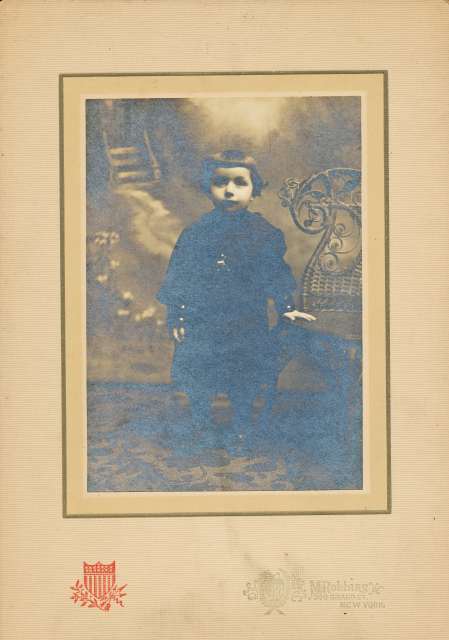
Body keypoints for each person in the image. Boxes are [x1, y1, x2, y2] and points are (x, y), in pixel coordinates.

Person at [156, 150, 314, 442]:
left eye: (240, 183)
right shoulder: (195, 234)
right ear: (208, 188)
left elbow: (275, 275)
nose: (229, 191)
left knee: (244, 375)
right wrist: (177, 314)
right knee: (200, 373)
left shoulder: (265, 234)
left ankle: (241, 425)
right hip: (203, 321)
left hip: (246, 321)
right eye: (220, 182)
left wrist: (286, 307)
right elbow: (180, 277)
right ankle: (202, 423)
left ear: (254, 189)